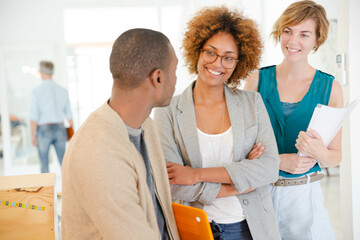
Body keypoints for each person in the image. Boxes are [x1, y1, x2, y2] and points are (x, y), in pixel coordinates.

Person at [154, 6, 281, 240]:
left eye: (228, 57)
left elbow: (270, 168)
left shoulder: (252, 103)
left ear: (238, 63)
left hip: (250, 228)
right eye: (210, 52)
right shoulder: (167, 111)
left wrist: (195, 174)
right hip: (196, 228)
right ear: (198, 51)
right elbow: (172, 182)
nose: (217, 63)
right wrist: (239, 182)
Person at [61, 28, 180, 240]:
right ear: (158, 78)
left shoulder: (147, 127)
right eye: (174, 71)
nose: (176, 79)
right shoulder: (99, 153)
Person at [244, 1, 343, 239]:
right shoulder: (256, 81)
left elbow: (336, 156)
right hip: (260, 194)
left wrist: (319, 152)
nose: (292, 41)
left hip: (305, 197)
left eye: (304, 34)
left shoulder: (331, 89)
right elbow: (241, 149)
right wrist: (277, 161)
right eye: (287, 31)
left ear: (317, 41)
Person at [29, 61, 73, 173]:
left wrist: (32, 135)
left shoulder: (36, 91)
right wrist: (71, 133)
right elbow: (69, 115)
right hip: (60, 128)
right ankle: (70, 190)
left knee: (44, 164)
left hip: (43, 130)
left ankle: (46, 190)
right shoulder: (63, 90)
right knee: (65, 163)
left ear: (41, 72)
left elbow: (34, 116)